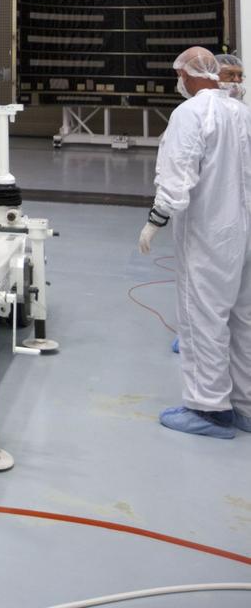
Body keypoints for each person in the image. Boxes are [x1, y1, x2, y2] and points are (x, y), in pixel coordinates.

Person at [139, 46, 251, 438]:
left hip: (210, 235)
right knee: (244, 320)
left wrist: (156, 220)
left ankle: (209, 409)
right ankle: (245, 406)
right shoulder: (242, 112)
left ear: (192, 74)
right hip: (246, 233)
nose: (179, 82)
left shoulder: (191, 113)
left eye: (180, 74)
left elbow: (178, 173)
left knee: (202, 318)